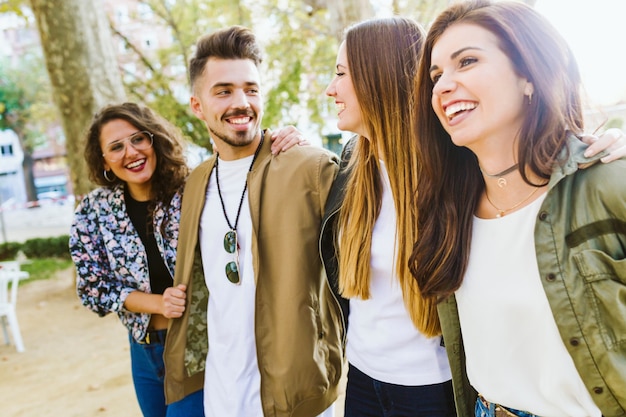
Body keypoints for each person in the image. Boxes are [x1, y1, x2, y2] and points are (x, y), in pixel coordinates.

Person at [409, 1, 626, 417]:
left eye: (467, 61)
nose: (441, 86)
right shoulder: (448, 213)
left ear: (529, 75)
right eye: (436, 76)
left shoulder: (608, 184)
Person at [162, 26, 344, 417]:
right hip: (222, 390)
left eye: (251, 88)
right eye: (223, 91)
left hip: (296, 391)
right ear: (197, 105)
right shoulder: (196, 182)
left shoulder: (308, 166)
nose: (241, 102)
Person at [320, 17, 456, 417]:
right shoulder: (351, 163)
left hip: (430, 389)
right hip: (361, 378)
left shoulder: (452, 169)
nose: (331, 88)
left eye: (341, 73)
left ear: (377, 77)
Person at [68, 102, 204, 417]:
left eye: (138, 139)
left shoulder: (194, 191)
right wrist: (157, 303)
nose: (130, 152)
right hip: (143, 350)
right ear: (103, 160)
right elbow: (92, 288)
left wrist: (281, 140)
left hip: (197, 344)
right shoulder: (93, 211)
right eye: (116, 147)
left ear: (154, 139)